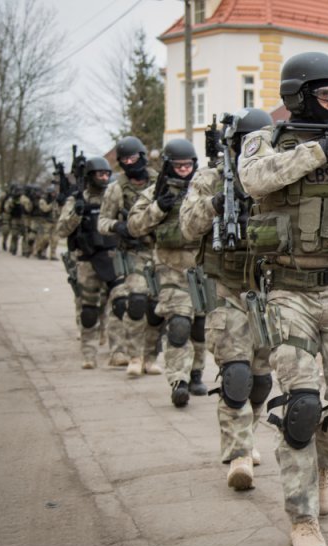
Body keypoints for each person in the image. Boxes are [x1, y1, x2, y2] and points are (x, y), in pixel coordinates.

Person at [238, 51, 328, 546]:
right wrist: (319, 151)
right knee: (302, 406)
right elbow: (254, 179)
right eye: (326, 94)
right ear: (298, 96)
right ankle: (302, 517)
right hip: (286, 289)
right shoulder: (264, 140)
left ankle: (324, 467)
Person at [179, 107, 275, 491]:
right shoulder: (210, 178)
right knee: (236, 375)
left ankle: (248, 433)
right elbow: (187, 226)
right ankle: (238, 454)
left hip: (269, 289)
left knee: (261, 381)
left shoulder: (274, 174)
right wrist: (216, 204)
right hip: (224, 287)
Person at [127, 138, 207, 407]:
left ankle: (196, 372)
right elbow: (135, 226)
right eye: (179, 165)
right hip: (169, 268)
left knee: (199, 327)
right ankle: (178, 380)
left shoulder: (203, 187)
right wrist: (158, 208)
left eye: (188, 165)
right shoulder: (155, 191)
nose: (184, 170)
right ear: (168, 165)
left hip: (203, 269)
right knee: (179, 325)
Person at [98, 136, 162, 371]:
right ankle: (134, 356)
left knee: (157, 308)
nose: (129, 162)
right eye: (125, 159)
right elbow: (102, 221)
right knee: (135, 301)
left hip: (162, 251)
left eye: (133, 157)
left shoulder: (159, 182)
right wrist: (118, 227)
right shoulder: (116, 188)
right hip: (134, 251)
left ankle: (151, 356)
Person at [55, 157, 121, 369]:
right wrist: (77, 213)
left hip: (111, 257)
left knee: (119, 306)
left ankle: (117, 352)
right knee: (89, 310)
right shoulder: (76, 199)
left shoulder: (113, 196)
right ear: (91, 176)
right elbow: (62, 230)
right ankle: (88, 354)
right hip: (86, 260)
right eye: (100, 174)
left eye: (106, 174)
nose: (104, 178)